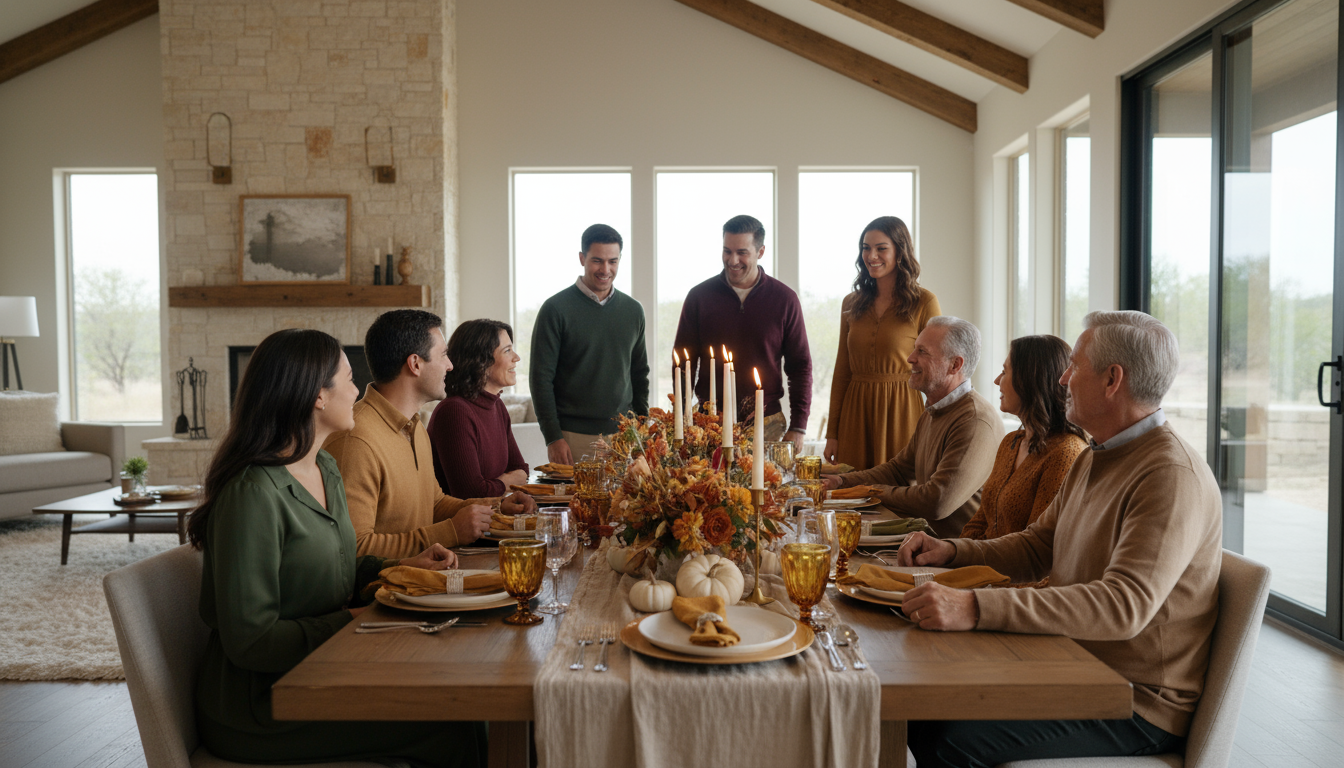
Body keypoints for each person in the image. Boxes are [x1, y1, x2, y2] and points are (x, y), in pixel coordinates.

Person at [898, 311, 1222, 767]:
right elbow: (1037, 545)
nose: (1064, 378)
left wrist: (975, 606)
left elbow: (1122, 606)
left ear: (1113, 379)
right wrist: (952, 551)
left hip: (1134, 702)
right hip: (1072, 664)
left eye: (1074, 365)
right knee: (922, 706)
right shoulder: (1098, 452)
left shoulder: (1169, 475)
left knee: (947, 737)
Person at [188, 328, 485, 766]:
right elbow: (252, 642)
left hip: (330, 667)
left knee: (462, 698)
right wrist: (351, 620)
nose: (357, 391)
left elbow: (342, 564)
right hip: (264, 703)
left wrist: (403, 566)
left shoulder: (325, 468)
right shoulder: (251, 494)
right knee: (451, 720)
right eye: (348, 380)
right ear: (317, 397)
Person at [325, 309, 535, 557]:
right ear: (415, 364)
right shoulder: (357, 440)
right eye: (444, 355)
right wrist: (450, 533)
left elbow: (435, 503)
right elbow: (355, 549)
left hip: (424, 576)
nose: (450, 365)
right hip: (384, 593)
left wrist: (498, 506)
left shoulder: (414, 426)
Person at [822, 316, 1002, 538]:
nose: (909, 358)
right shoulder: (934, 410)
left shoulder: (974, 421)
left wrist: (868, 491)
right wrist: (842, 481)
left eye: (922, 352)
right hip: (928, 546)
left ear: (955, 365)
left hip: (961, 559)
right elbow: (898, 470)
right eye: (914, 349)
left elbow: (936, 502)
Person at [674, 214, 812, 451]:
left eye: (742, 252)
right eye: (727, 251)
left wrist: (798, 426)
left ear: (761, 252)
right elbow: (683, 365)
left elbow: (800, 366)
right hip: (709, 425)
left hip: (767, 424)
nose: (733, 260)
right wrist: (684, 420)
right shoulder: (699, 297)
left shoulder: (785, 299)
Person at [824, 216, 941, 470]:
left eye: (881, 248)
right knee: (852, 496)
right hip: (855, 415)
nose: (871, 255)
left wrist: (937, 428)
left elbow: (938, 368)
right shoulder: (851, 303)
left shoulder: (924, 302)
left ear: (900, 251)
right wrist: (832, 432)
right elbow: (842, 370)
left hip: (903, 412)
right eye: (866, 248)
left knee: (900, 493)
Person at [530, 223, 650, 464]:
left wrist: (642, 429)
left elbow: (639, 374)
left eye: (613, 261)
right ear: (582, 258)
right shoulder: (555, 309)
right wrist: (553, 437)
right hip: (572, 438)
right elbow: (541, 379)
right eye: (597, 260)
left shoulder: (633, 311)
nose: (605, 269)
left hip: (624, 437)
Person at [959, 335, 1087, 543]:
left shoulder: (1065, 453)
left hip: (1014, 574)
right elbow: (981, 519)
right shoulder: (1012, 442)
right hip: (980, 564)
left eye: (1004, 372)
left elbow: (1035, 548)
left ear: (1029, 379)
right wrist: (952, 556)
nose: (996, 381)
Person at [428, 319, 529, 498]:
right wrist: (506, 482)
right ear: (481, 361)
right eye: (507, 351)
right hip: (459, 524)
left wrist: (497, 484)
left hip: (492, 516)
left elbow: (521, 470)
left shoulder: (497, 405)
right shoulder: (454, 412)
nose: (517, 358)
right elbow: (471, 493)